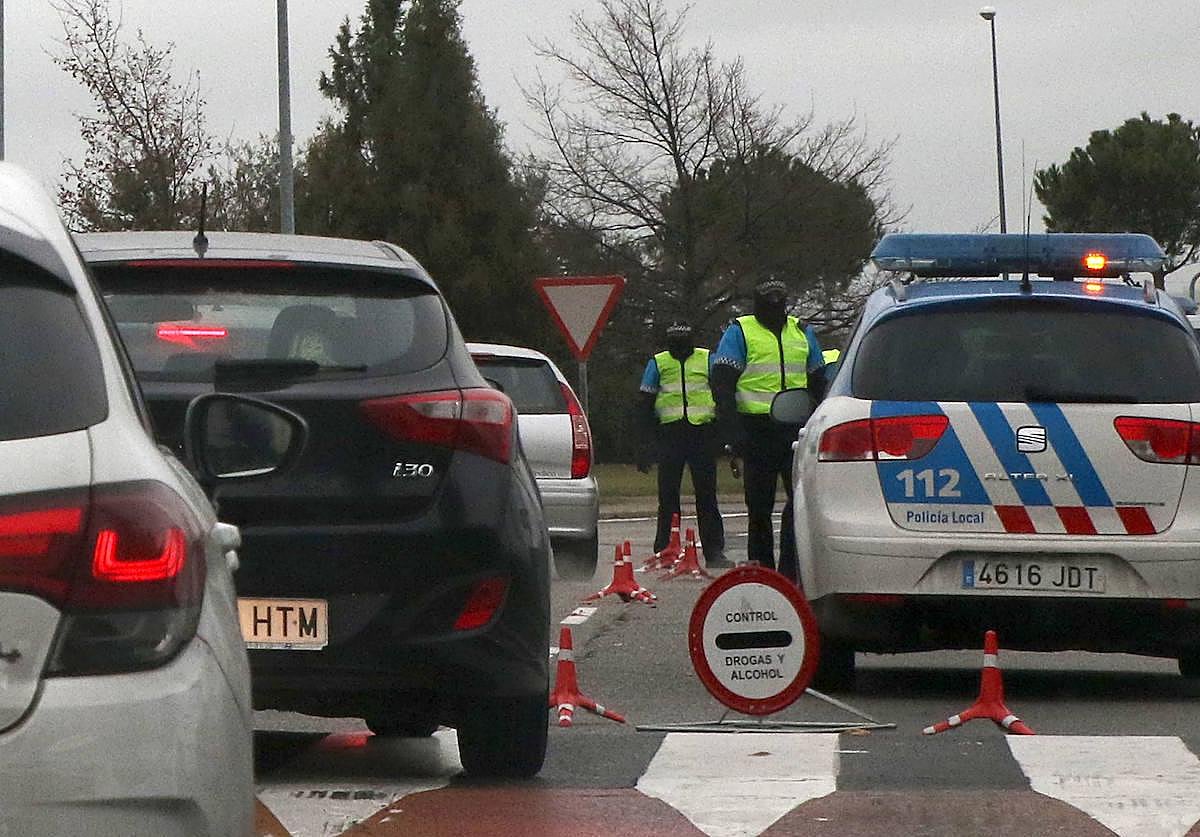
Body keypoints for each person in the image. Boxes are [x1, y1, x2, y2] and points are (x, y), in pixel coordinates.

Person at [711, 280, 828, 582]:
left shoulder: (802, 331)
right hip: (756, 431)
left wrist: (819, 418)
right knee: (759, 509)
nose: (775, 306)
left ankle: (791, 572)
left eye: (780, 300)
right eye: (769, 300)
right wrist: (731, 432)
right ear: (758, 302)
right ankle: (762, 574)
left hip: (797, 431)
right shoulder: (740, 331)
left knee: (798, 504)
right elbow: (722, 384)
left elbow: (818, 380)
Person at [636, 319, 730, 568]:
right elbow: (645, 403)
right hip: (670, 434)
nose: (679, 346)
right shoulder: (658, 362)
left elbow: (721, 396)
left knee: (707, 496)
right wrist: (644, 444)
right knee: (668, 496)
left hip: (702, 433)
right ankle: (664, 549)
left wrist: (723, 433)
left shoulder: (707, 358)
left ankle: (714, 551)